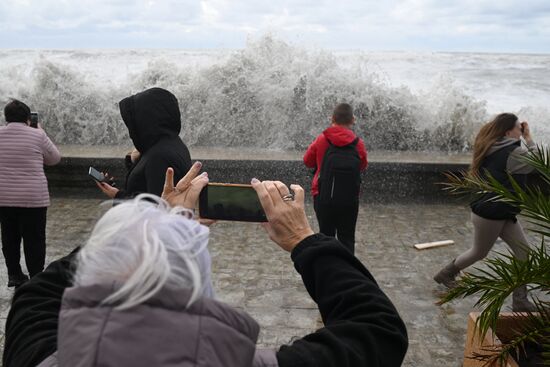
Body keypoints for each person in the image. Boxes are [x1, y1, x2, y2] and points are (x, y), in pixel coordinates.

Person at [3, 163, 408, 367]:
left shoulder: (39, 355)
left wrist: (153, 222)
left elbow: (37, 294)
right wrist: (304, 239)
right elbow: (377, 330)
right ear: (196, 286)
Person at [434, 113, 537, 312]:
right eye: (518, 128)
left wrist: (521, 137)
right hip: (492, 214)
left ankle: (520, 301)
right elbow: (538, 164)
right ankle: (446, 274)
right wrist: (529, 138)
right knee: (479, 252)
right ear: (508, 132)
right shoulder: (513, 153)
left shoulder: (492, 145)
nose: (521, 130)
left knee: (524, 254)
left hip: (497, 210)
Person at [0, 99, 61, 288]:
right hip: (33, 198)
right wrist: (39, 131)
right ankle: (36, 276)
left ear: (6, 118)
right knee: (34, 238)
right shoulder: (37, 135)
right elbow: (54, 159)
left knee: (9, 237)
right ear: (28, 118)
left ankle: (14, 274)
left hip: (4, 197)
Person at [96, 87, 192, 199]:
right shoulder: (172, 143)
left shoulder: (159, 157)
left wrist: (117, 195)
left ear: (146, 121)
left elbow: (154, 207)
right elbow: (149, 183)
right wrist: (134, 161)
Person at [303, 103, 368, 254]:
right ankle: (348, 270)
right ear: (353, 120)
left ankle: (328, 270)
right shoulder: (358, 144)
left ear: (332, 118)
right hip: (349, 198)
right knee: (347, 237)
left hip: (322, 194)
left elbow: (307, 161)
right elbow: (362, 166)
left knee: (326, 236)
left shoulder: (322, 139)